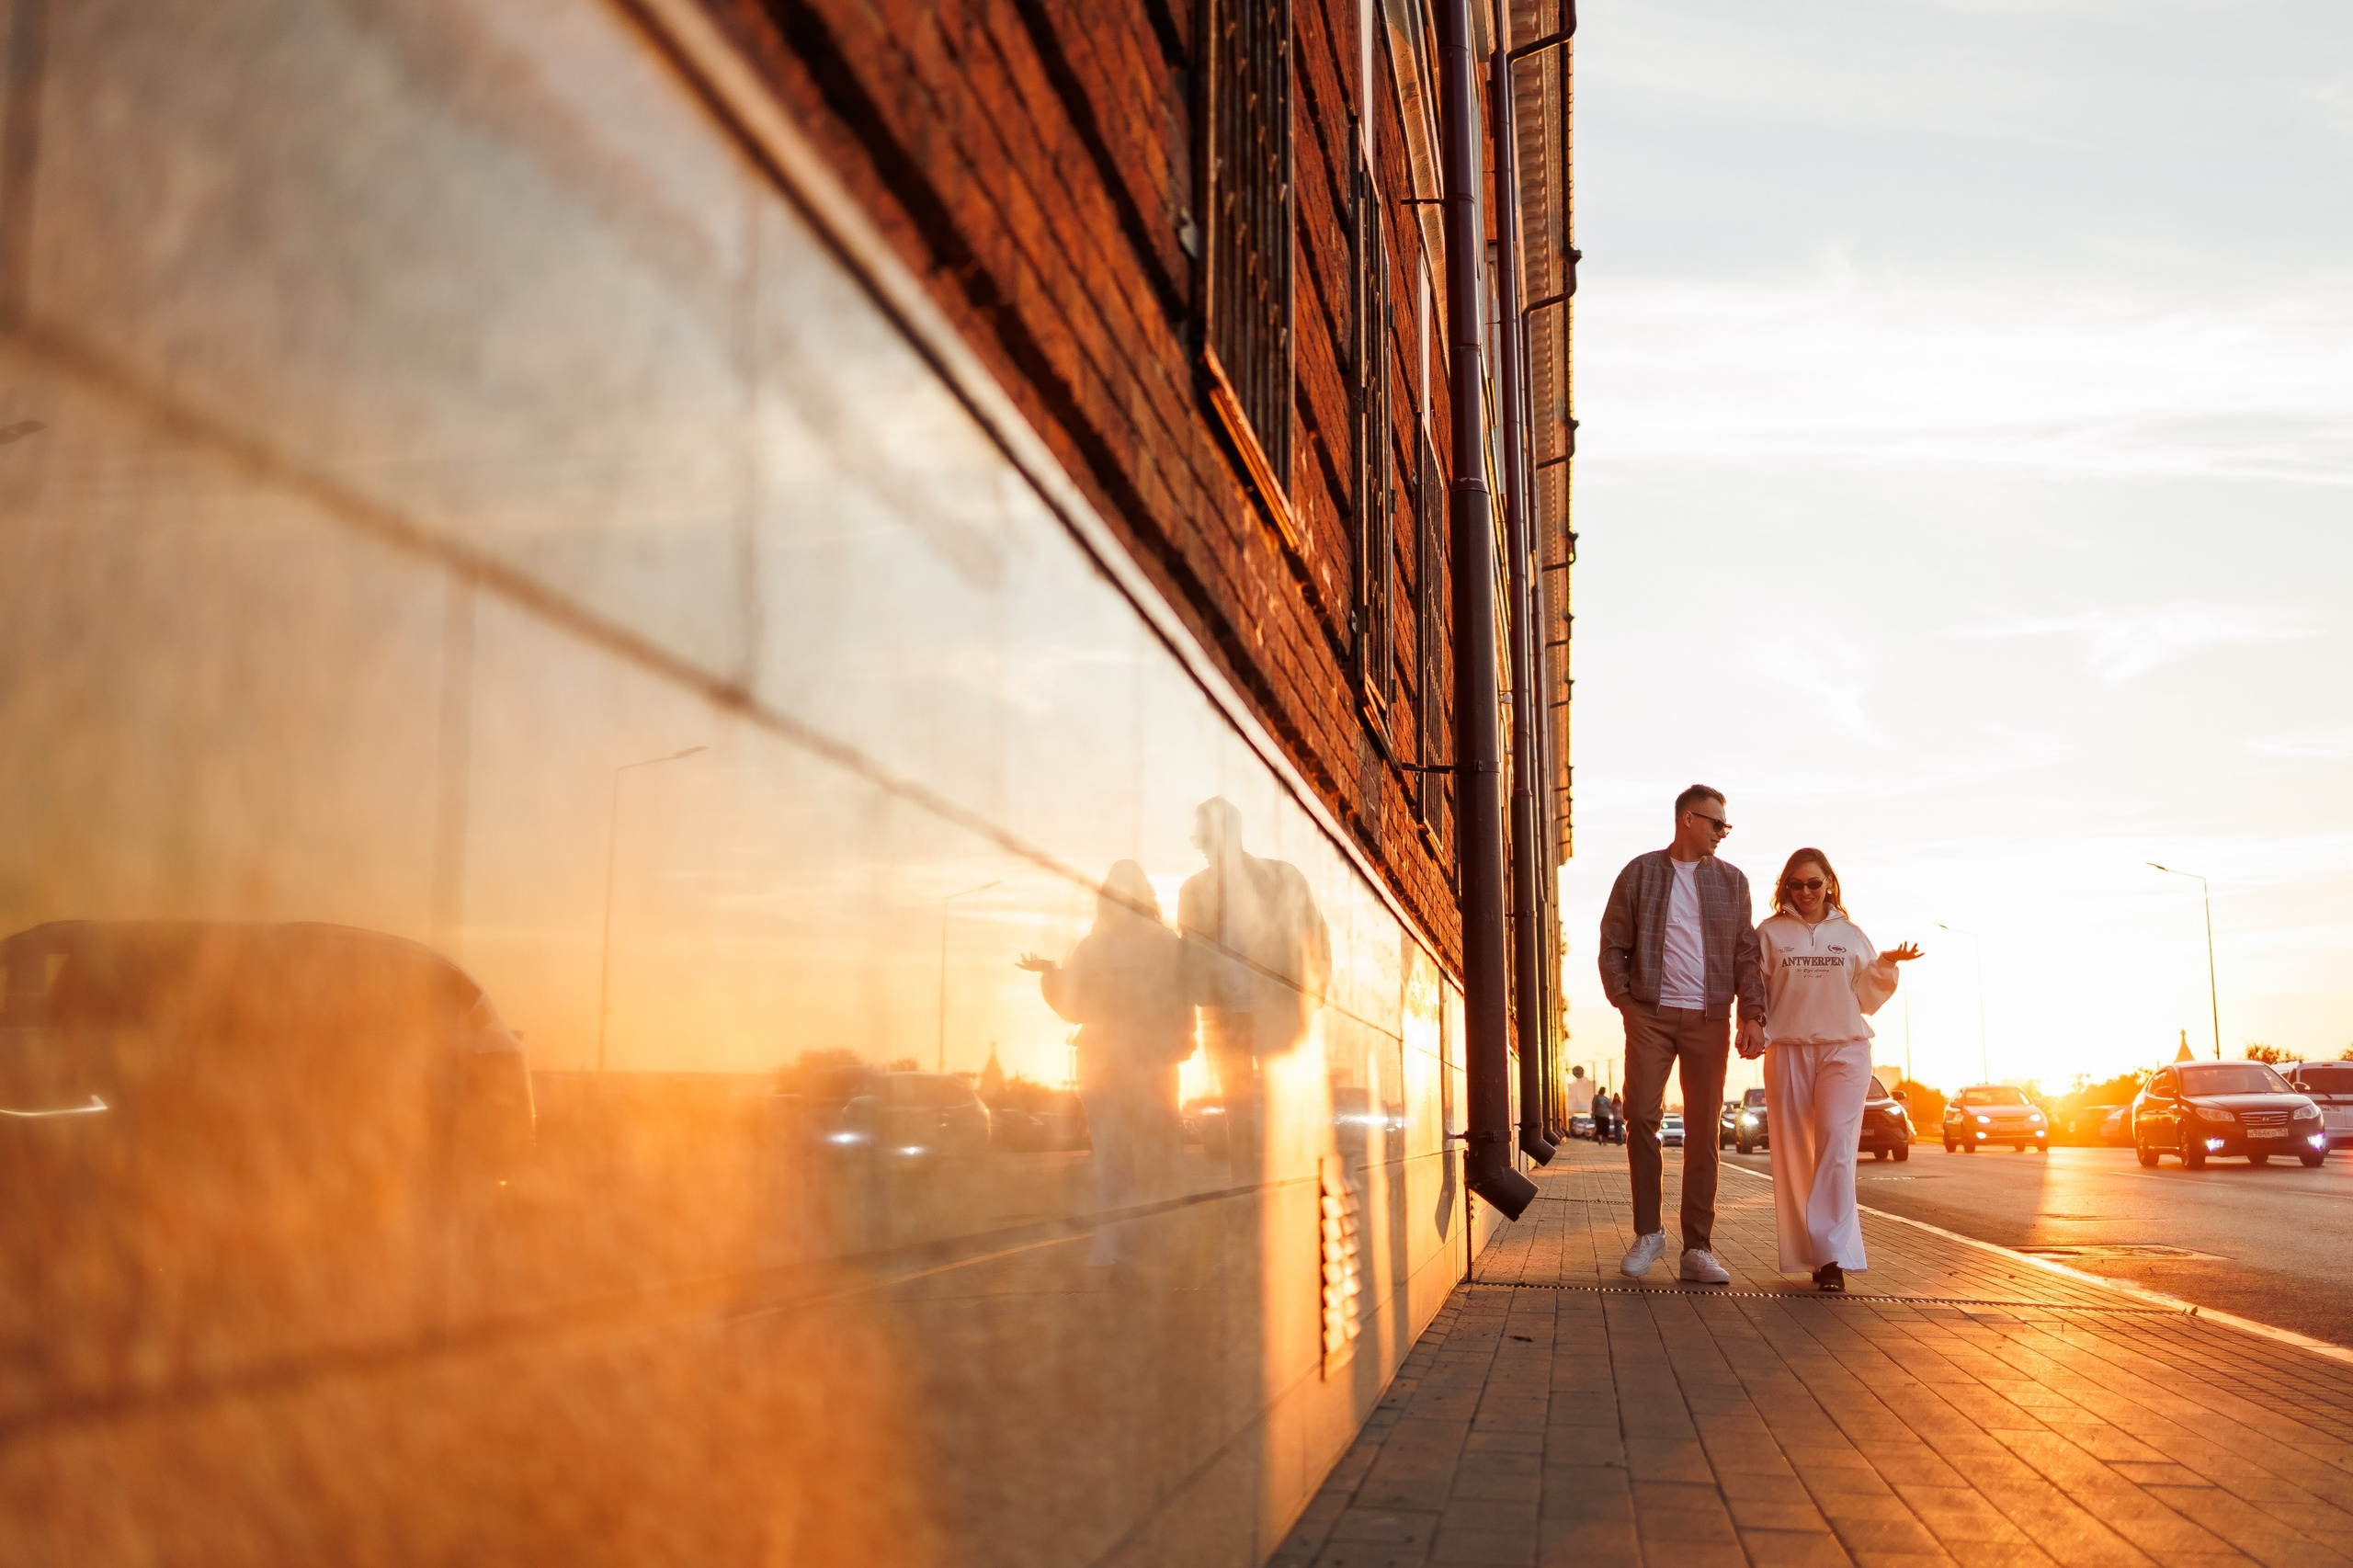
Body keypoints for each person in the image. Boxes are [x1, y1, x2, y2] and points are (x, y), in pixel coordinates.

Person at [1597, 784, 1766, 1284]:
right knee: (1641, 1116)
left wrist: (1751, 1015)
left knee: (1704, 1130)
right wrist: (1626, 1002)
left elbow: (1745, 953)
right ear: (1688, 819)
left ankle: (1697, 1248)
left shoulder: (1733, 882)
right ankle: (1649, 1233)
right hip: (1650, 1014)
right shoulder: (1641, 873)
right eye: (1716, 824)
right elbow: (1612, 943)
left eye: (1726, 826)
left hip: (1709, 1019)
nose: (1722, 833)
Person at [1742, 849, 1921, 1291]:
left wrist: (1886, 965)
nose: (1805, 892)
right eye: (1796, 885)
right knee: (1795, 1154)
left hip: (1845, 1049)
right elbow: (1754, 990)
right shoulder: (1768, 934)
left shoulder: (1851, 934)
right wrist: (1750, 1025)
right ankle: (1810, 1250)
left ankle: (1832, 1258)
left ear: (1829, 885)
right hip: (1787, 1051)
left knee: (1838, 1147)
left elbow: (1866, 998)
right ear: (1785, 888)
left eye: (1814, 884)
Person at [1019, 861, 1193, 1266]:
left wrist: (1049, 974)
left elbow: (1072, 1008)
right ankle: (1156, 1248)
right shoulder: (1167, 943)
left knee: (1113, 1163)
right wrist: (1184, 1044)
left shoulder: (1092, 947)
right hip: (1155, 1063)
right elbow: (1183, 1003)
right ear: (1146, 896)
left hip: (1102, 1062)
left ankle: (1113, 1249)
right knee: (1156, 1160)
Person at [1177, 798, 1330, 1182]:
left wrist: (1306, 1004)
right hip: (1224, 1016)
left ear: (1228, 835)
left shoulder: (1281, 877)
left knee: (1285, 1104)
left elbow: (1316, 941)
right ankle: (1245, 1188)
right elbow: (1189, 956)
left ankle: (1289, 1185)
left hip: (1274, 1013)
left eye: (1205, 837)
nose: (1202, 846)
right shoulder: (1193, 890)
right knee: (1237, 1111)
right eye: (1199, 838)